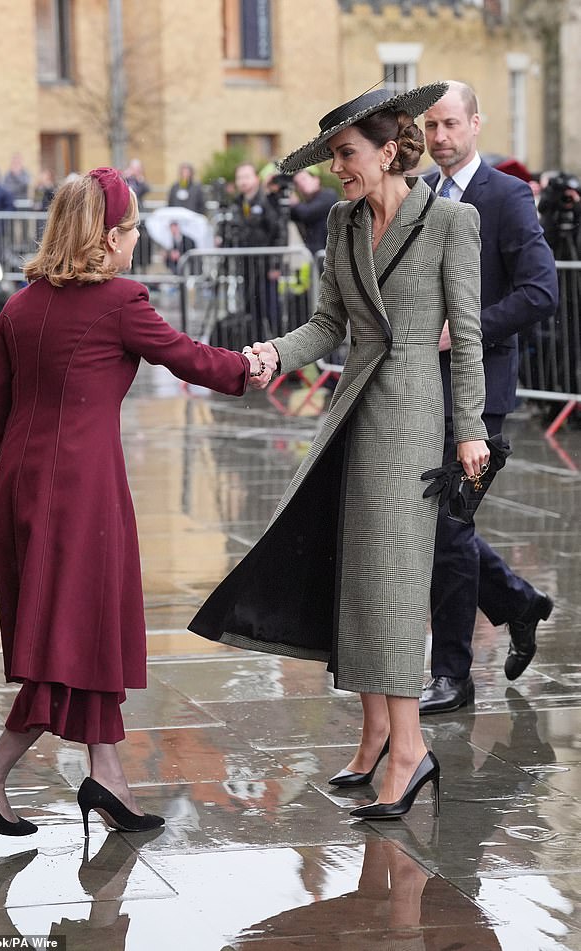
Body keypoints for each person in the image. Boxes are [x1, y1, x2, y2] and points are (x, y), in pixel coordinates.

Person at [190, 82, 490, 820]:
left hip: (415, 410)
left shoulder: (454, 219)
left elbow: (471, 333)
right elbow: (327, 323)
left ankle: (411, 750)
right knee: (361, 575)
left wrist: (470, 428)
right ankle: (383, 734)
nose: (335, 169)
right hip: (351, 407)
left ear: (390, 149)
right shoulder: (340, 221)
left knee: (393, 578)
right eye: (330, 158)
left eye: (346, 155)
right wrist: (270, 354)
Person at [0, 167, 272, 838]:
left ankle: (108, 776)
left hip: (24, 489)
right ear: (103, 236)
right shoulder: (119, 300)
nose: (134, 242)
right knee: (63, 643)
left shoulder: (19, 305)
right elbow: (185, 356)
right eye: (128, 230)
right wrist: (251, 368)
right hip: (81, 494)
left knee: (80, 633)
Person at [419, 81, 559, 714]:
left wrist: (466, 330)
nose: (440, 136)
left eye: (451, 123)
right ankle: (516, 603)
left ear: (476, 123)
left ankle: (451, 674)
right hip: (419, 389)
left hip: (482, 392)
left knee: (448, 527)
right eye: (430, 127)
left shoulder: (507, 195)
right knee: (433, 524)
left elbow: (540, 291)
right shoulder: (417, 195)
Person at [228, 161, 284, 339]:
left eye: (246, 177)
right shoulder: (237, 203)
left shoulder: (267, 200)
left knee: (271, 311)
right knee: (251, 310)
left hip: (266, 266)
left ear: (256, 178)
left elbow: (279, 233)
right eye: (239, 178)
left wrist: (276, 264)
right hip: (245, 267)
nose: (242, 181)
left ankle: (283, 354)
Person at [289, 167, 339, 256]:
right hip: (314, 257)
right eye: (297, 183)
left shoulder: (328, 195)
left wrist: (294, 203)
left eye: (304, 179)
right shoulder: (303, 205)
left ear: (316, 180)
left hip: (330, 256)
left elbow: (308, 212)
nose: (301, 184)